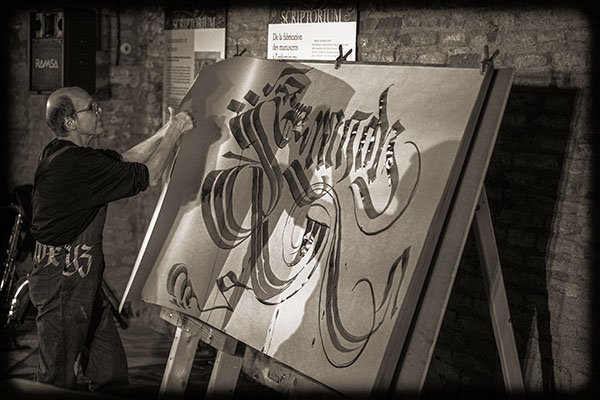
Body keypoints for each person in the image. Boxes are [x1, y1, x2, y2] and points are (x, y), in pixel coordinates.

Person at [28, 86, 194, 392]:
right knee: (56, 379)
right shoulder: (75, 164)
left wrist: (165, 130)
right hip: (62, 284)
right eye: (91, 108)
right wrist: (176, 133)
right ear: (70, 122)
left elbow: (126, 159)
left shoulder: (69, 154)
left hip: (84, 284)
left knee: (110, 372)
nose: (99, 112)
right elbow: (150, 175)